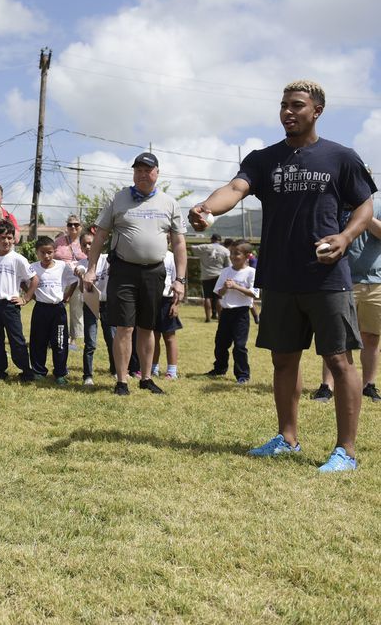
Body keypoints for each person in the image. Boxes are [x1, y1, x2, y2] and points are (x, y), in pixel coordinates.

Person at [189, 80, 376, 472]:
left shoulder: (341, 157)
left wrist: (345, 237)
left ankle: (346, 450)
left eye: (297, 105)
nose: (288, 112)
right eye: (283, 105)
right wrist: (208, 207)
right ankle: (287, 438)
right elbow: (236, 188)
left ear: (317, 110)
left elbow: (364, 206)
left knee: (339, 361)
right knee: (283, 361)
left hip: (327, 276)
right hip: (279, 277)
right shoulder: (264, 158)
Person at [83, 152, 187, 397]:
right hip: (123, 271)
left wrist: (180, 280)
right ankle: (122, 381)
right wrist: (90, 269)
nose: (142, 174)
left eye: (147, 170)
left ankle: (146, 378)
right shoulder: (118, 199)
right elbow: (100, 236)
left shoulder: (169, 202)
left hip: (154, 273)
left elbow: (179, 243)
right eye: (138, 170)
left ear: (157, 173)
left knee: (147, 327)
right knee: (124, 327)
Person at [309, 193, 381, 404]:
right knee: (336, 338)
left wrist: (363, 216)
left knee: (372, 338)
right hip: (339, 279)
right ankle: (327, 386)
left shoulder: (376, 206)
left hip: (375, 281)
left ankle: (369, 385)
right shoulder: (334, 205)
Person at [0, 221, 35, 382]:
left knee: (17, 340)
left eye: (10, 238)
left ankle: (26, 371)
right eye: (2, 238)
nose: (6, 241)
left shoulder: (18, 259)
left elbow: (34, 279)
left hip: (10, 305)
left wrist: (25, 298)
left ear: (13, 239)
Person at [23, 236, 78, 385]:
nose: (47, 256)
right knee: (38, 341)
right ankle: (39, 371)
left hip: (58, 310)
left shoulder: (62, 266)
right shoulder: (33, 267)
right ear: (37, 253)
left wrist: (67, 296)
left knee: (59, 342)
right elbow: (23, 281)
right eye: (43, 252)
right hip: (40, 309)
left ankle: (60, 373)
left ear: (54, 251)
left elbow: (73, 282)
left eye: (50, 252)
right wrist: (32, 296)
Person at [208, 242, 258, 384]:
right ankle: (219, 369)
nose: (233, 256)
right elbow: (219, 293)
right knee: (221, 343)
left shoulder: (251, 272)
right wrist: (225, 287)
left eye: (237, 253)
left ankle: (243, 374)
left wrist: (236, 286)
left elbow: (255, 294)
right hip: (226, 312)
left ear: (247, 256)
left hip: (241, 313)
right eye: (232, 253)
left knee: (239, 346)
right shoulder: (226, 272)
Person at [75, 230, 115, 385]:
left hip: (107, 304)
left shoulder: (107, 260)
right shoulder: (82, 265)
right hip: (91, 304)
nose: (88, 247)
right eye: (84, 244)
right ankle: (88, 375)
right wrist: (80, 278)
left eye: (91, 243)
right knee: (90, 341)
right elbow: (81, 289)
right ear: (81, 248)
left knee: (112, 339)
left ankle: (115, 370)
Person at [148, 240, 183, 380]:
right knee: (153, 336)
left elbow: (178, 281)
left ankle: (172, 371)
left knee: (169, 337)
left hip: (167, 300)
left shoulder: (173, 257)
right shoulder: (150, 256)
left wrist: (176, 303)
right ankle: (153, 368)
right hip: (151, 300)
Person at [54, 214, 87, 349]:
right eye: (70, 224)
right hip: (60, 279)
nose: (73, 227)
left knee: (76, 309)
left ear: (81, 227)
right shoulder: (59, 241)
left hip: (78, 280)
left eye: (76, 224)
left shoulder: (84, 241)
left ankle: (73, 339)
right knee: (58, 309)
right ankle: (57, 336)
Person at [193, 233, 230, 322]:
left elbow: (192, 247)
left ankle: (208, 318)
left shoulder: (204, 247)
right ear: (220, 240)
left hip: (206, 275)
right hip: (219, 275)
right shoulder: (225, 250)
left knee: (207, 297)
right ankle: (220, 317)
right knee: (218, 297)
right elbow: (228, 265)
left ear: (211, 239)